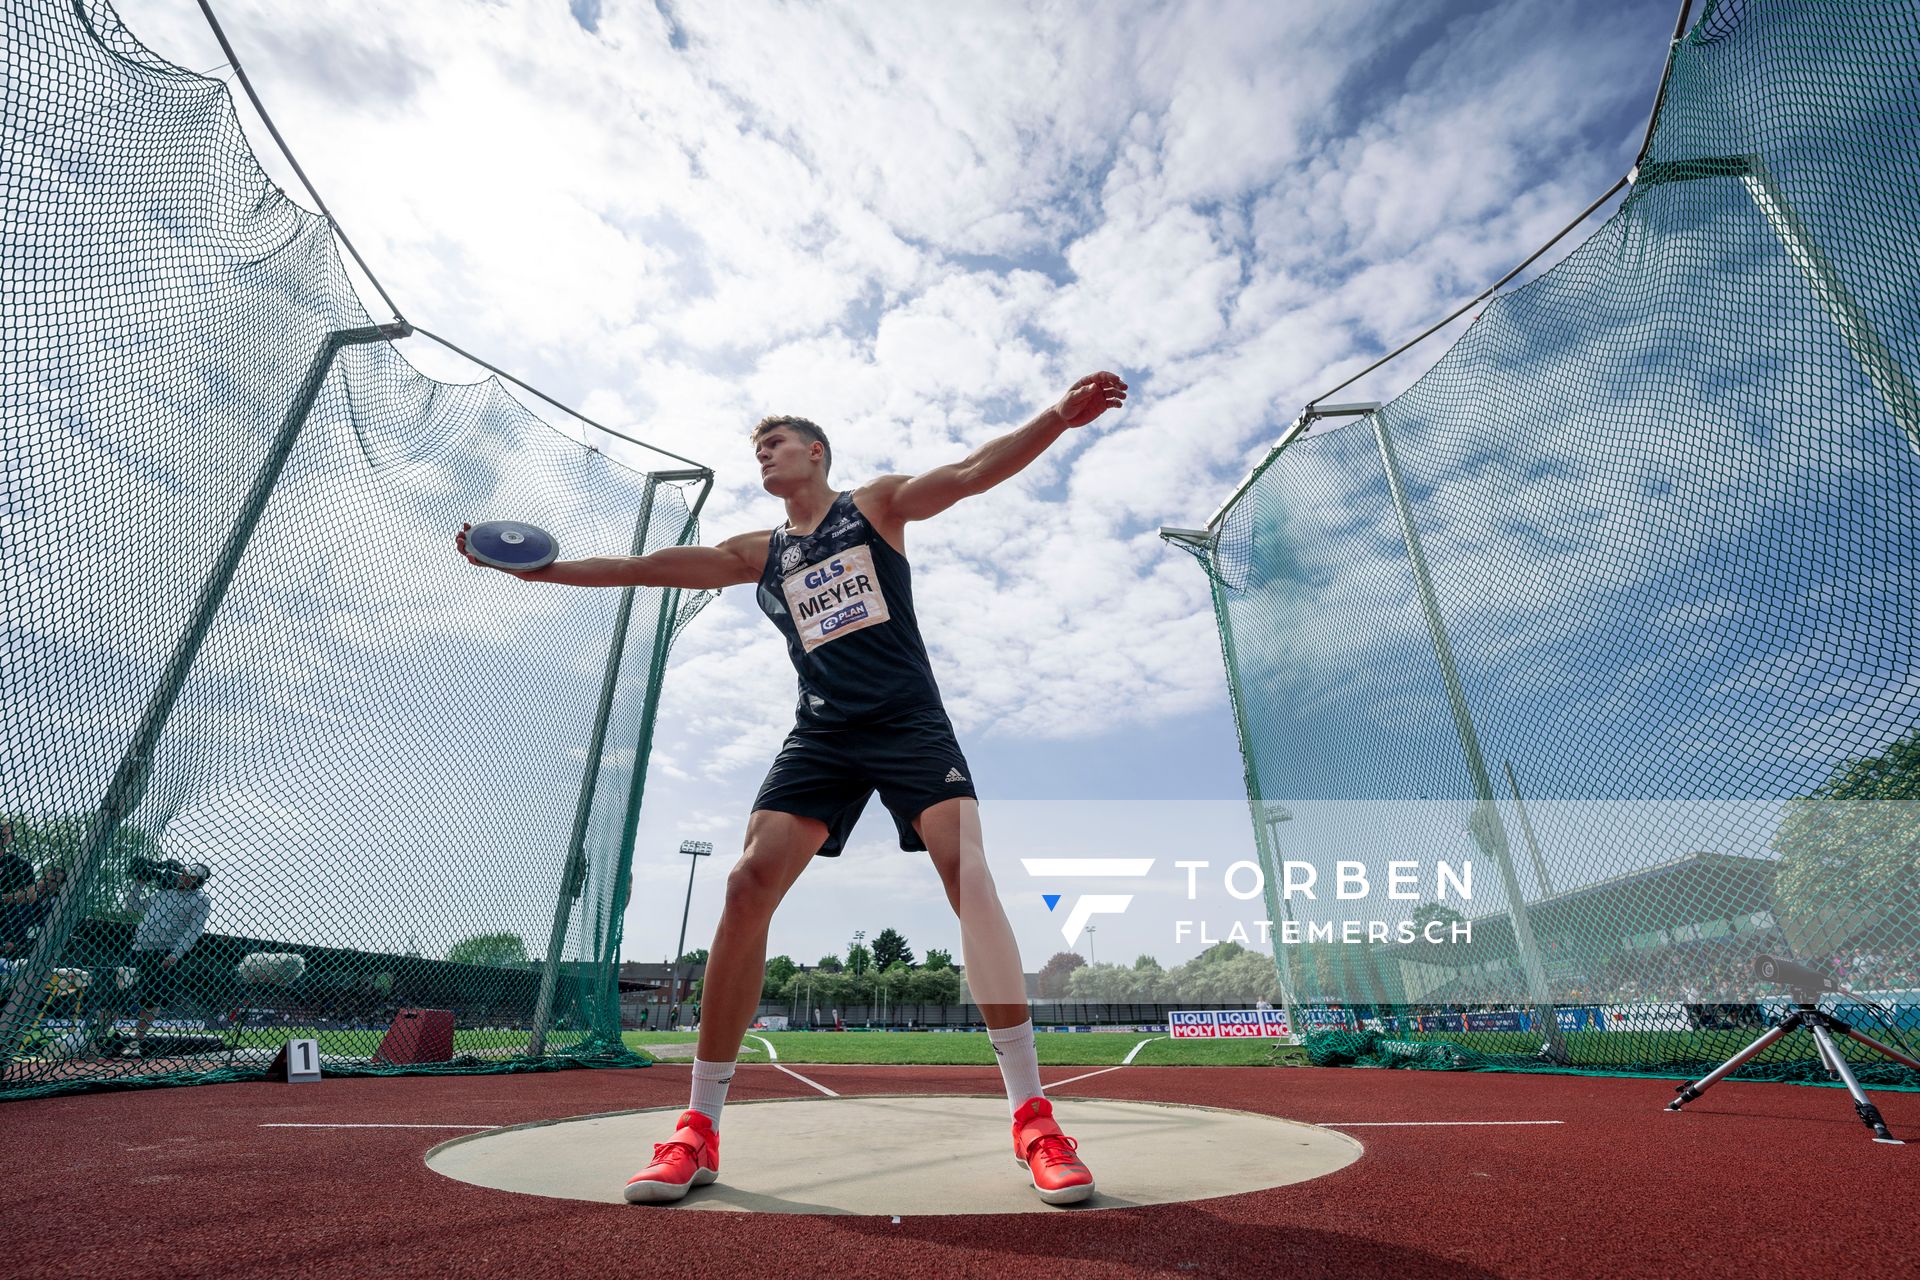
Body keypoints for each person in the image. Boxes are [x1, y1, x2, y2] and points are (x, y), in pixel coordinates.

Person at [458, 371, 1126, 1205]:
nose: (763, 454)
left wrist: (1056, 419)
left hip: (910, 722)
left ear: (816, 452)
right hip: (822, 735)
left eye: (776, 443)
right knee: (744, 885)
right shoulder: (758, 553)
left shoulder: (875, 506)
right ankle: (696, 1130)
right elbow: (649, 566)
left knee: (969, 873)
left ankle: (1033, 1117)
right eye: (757, 448)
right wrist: (549, 574)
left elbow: (970, 471)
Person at [123, 862, 213, 1056]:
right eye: (184, 874)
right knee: (119, 989)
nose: (183, 878)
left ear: (197, 882)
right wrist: (139, 883)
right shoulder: (164, 893)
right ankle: (101, 1034)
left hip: (163, 951)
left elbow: (194, 930)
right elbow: (131, 908)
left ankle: (137, 1041)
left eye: (190, 877)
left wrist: (175, 954)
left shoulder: (200, 901)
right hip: (138, 947)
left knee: (152, 996)